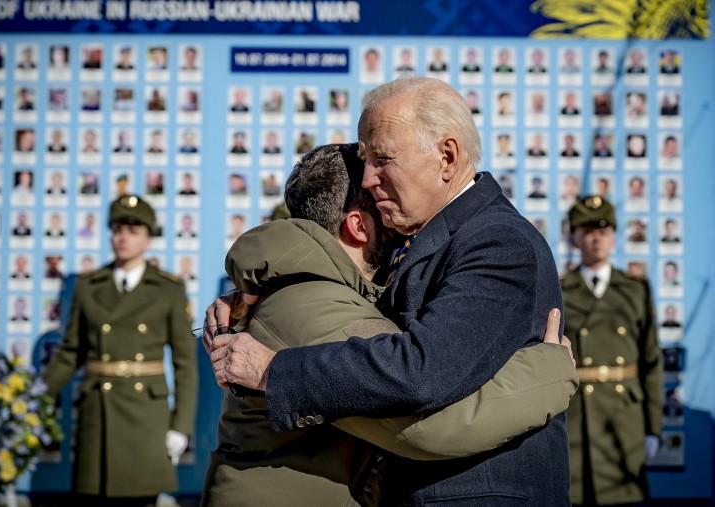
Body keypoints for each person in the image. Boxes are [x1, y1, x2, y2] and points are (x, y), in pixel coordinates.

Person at [206, 77, 572, 505]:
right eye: (364, 160)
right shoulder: (426, 236)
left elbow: (422, 372)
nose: (368, 177)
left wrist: (274, 369)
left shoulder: (494, 241)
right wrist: (258, 290)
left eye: (382, 158)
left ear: (447, 158)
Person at [42, 195, 197, 506]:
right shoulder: (89, 287)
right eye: (117, 229)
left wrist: (180, 427)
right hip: (99, 410)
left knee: (141, 498)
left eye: (133, 230)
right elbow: (70, 352)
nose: (123, 237)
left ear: (147, 238)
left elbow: (184, 363)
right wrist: (33, 396)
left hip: (145, 417)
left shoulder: (168, 289)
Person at [562, 196, 662, 505]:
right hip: (578, 416)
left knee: (623, 496)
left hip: (623, 417)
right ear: (575, 238)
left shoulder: (635, 289)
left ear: (614, 236)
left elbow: (651, 362)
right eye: (588, 231)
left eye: (604, 231)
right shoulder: (560, 289)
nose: (596, 239)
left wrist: (653, 429)